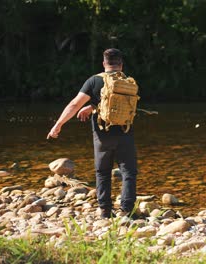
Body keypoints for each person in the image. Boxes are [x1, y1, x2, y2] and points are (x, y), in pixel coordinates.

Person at [47, 48, 138, 219]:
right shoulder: (128, 82)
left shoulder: (94, 81)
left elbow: (74, 104)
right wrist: (94, 106)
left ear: (104, 63)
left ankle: (105, 210)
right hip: (125, 133)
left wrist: (58, 125)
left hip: (102, 134)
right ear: (121, 64)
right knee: (128, 172)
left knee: (103, 171)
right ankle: (127, 210)